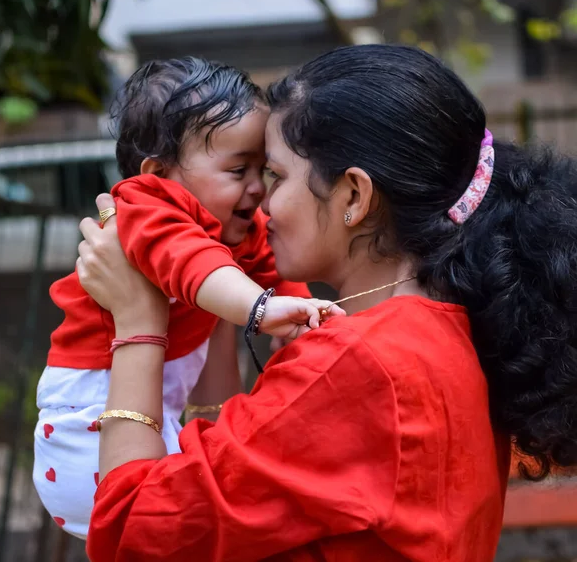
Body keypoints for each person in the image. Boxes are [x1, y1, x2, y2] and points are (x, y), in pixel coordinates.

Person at [76, 45, 577, 561]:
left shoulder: (357, 363)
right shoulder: (446, 329)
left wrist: (137, 323)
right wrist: (214, 295)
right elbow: (229, 478)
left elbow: (129, 532)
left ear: (354, 197)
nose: (263, 203)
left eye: (276, 175)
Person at [33, 57, 342, 539]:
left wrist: (303, 321)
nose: (258, 189)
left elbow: (274, 275)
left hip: (158, 414)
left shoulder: (237, 226)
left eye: (265, 170)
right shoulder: (146, 207)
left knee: (196, 510)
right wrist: (261, 310)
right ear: (159, 173)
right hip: (86, 424)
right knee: (161, 525)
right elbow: (196, 265)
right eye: (239, 169)